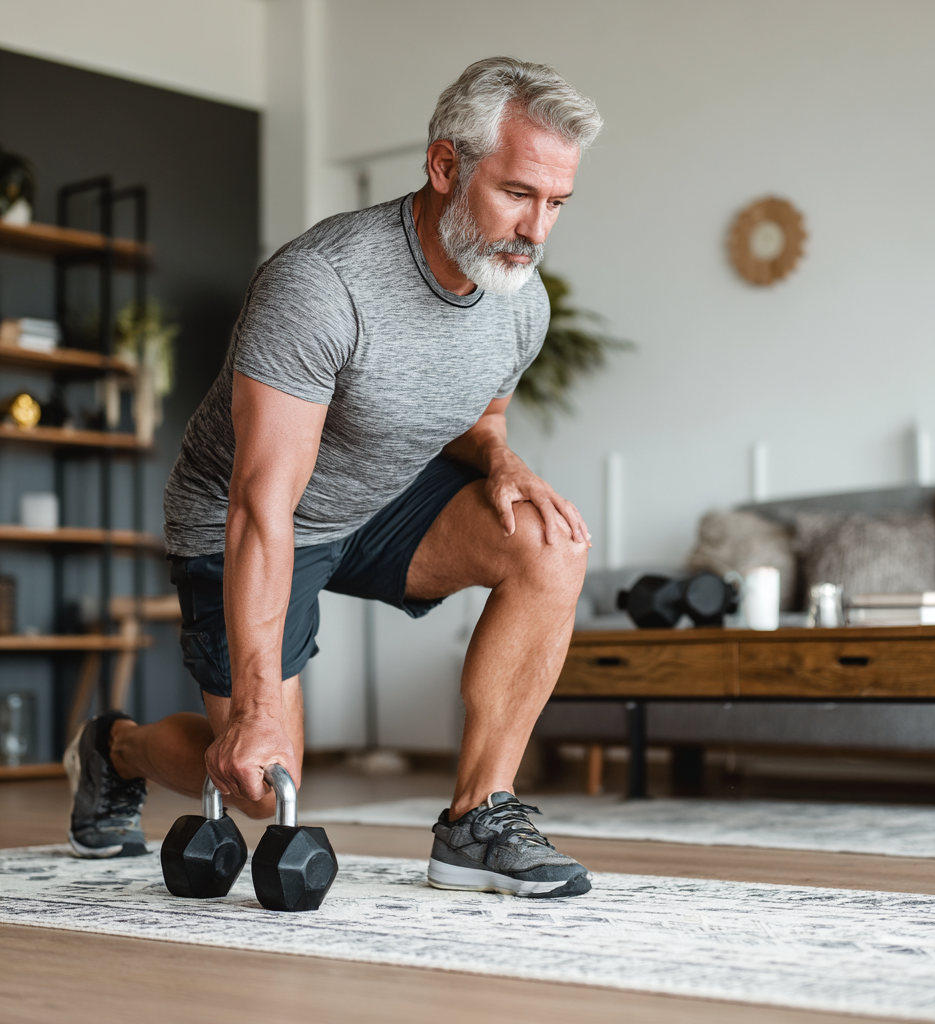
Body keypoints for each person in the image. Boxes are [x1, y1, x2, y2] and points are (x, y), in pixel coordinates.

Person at [64, 57, 603, 899]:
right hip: (246, 515)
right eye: (517, 193)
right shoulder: (321, 285)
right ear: (444, 166)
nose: (535, 229)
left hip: (379, 503)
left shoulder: (519, 302)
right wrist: (257, 707)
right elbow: (260, 502)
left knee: (549, 541)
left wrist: (502, 459)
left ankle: (476, 821)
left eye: (556, 203)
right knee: (263, 779)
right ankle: (114, 749)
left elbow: (479, 416)